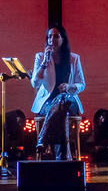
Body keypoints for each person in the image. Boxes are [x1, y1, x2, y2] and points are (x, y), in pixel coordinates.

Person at [30, 24, 85, 159]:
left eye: (55, 36)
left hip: (69, 100)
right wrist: (44, 63)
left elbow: (82, 84)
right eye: (49, 36)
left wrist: (70, 87)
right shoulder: (40, 57)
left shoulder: (74, 58)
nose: (52, 39)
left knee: (62, 99)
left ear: (63, 39)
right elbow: (34, 83)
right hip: (47, 103)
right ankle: (63, 157)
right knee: (61, 113)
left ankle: (42, 139)